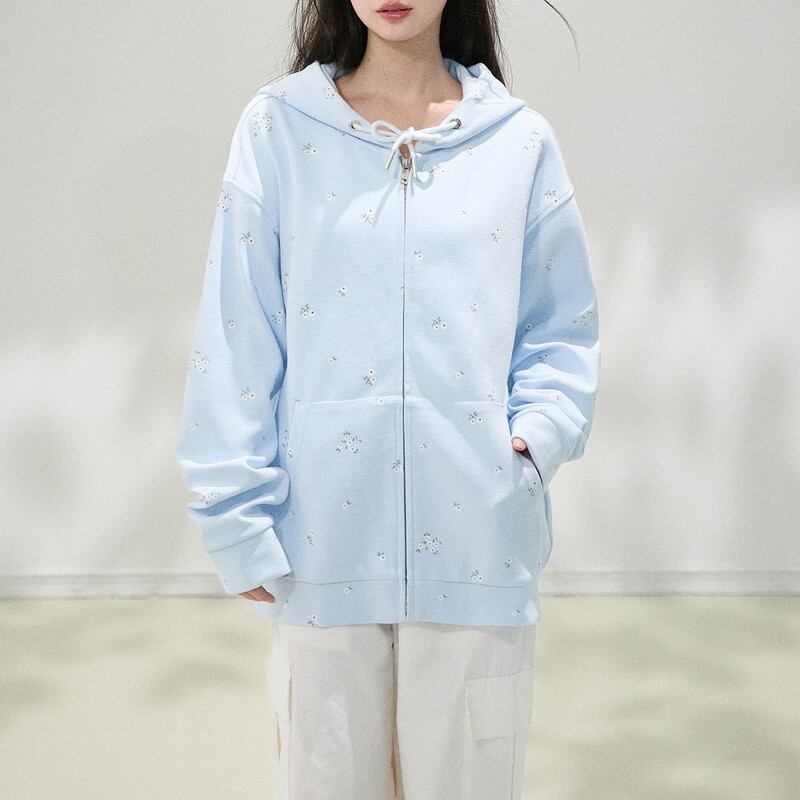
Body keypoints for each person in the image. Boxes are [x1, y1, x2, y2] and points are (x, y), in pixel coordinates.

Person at [176, 1, 600, 797]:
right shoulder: (279, 131)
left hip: (478, 544)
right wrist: (233, 512)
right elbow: (238, 330)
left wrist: (535, 441)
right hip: (321, 544)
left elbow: (560, 328)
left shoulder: (518, 142)